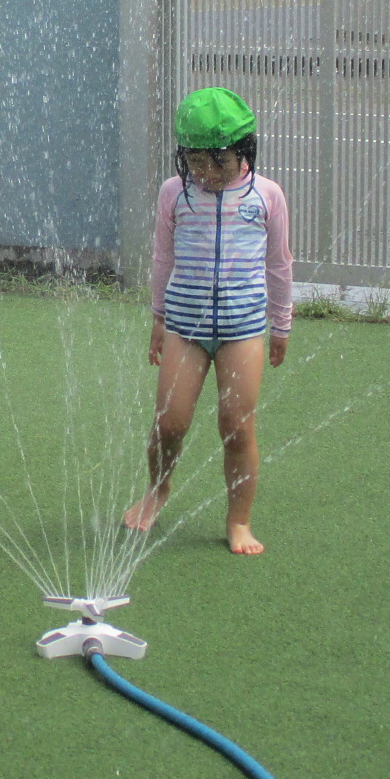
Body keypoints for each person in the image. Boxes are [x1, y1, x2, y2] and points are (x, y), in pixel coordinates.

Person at [122, 88, 291, 556]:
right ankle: (158, 489)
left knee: (237, 425)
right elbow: (163, 257)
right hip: (185, 327)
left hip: (243, 331)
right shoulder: (174, 193)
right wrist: (158, 317)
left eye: (220, 163)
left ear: (244, 152)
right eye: (197, 163)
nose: (208, 174)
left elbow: (279, 264)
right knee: (169, 423)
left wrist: (281, 325)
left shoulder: (266, 196)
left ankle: (239, 520)